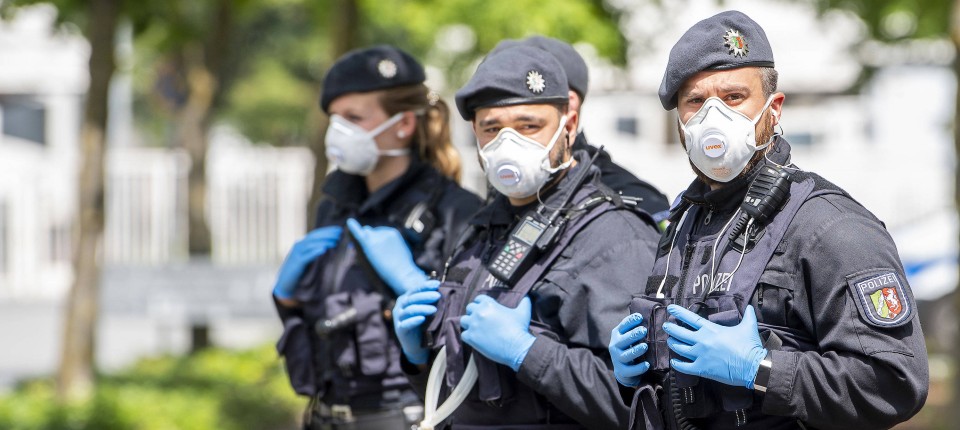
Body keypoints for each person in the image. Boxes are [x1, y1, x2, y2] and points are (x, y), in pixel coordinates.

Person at [608, 10, 929, 430]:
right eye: (695, 102)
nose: (713, 116)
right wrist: (635, 376)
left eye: (734, 97)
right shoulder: (687, 223)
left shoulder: (829, 226)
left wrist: (760, 368)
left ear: (774, 109)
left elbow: (896, 382)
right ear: (681, 122)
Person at [350, 44, 661, 429]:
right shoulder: (485, 228)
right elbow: (466, 394)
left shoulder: (614, 236)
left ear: (570, 121)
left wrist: (527, 352)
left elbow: (640, 408)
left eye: (528, 125)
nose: (507, 143)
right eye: (492, 128)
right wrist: (417, 357)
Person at [271, 45, 482, 430]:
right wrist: (286, 299)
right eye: (335, 118)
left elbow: (468, 344)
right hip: (324, 415)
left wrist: (413, 284)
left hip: (404, 416)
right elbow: (322, 323)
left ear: (402, 124)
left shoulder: (456, 211)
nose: (339, 131)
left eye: (354, 118)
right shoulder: (334, 203)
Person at [491, 35, 671, 222]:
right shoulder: (501, 199)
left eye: (513, 98)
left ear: (569, 105)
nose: (505, 138)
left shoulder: (631, 202)